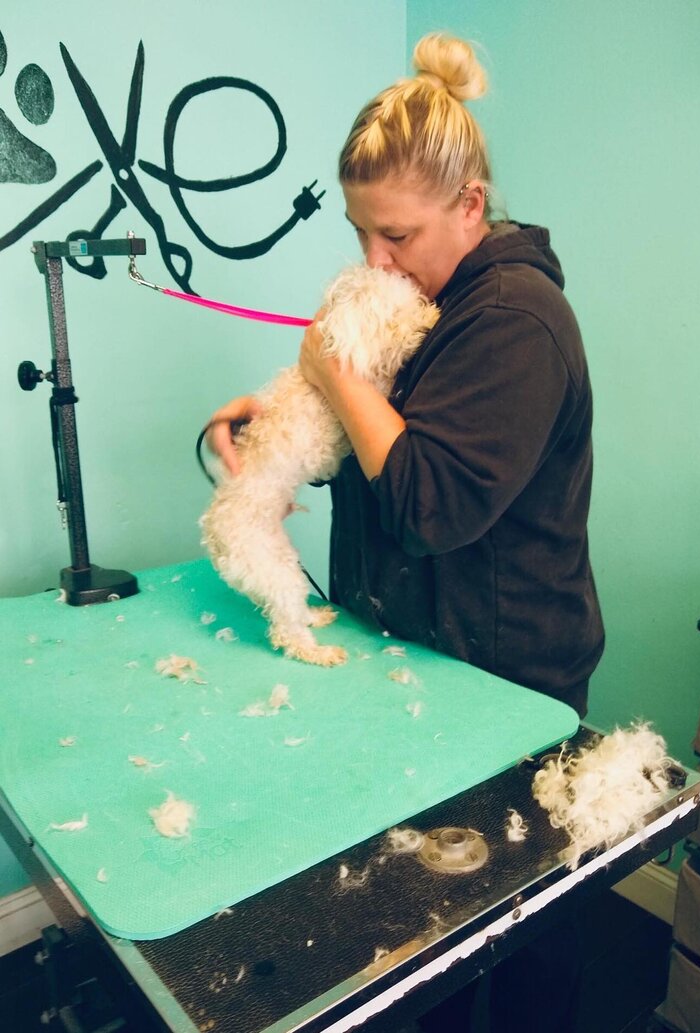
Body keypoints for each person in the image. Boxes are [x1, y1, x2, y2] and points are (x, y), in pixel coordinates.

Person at [208, 32, 604, 1032]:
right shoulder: (425, 305)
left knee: (514, 959)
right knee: (416, 944)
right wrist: (277, 432)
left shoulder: (517, 319)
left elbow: (431, 500)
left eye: (397, 236)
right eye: (360, 235)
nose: (374, 262)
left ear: (470, 206)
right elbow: (375, 438)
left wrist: (330, 363)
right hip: (416, 660)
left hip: (505, 685)